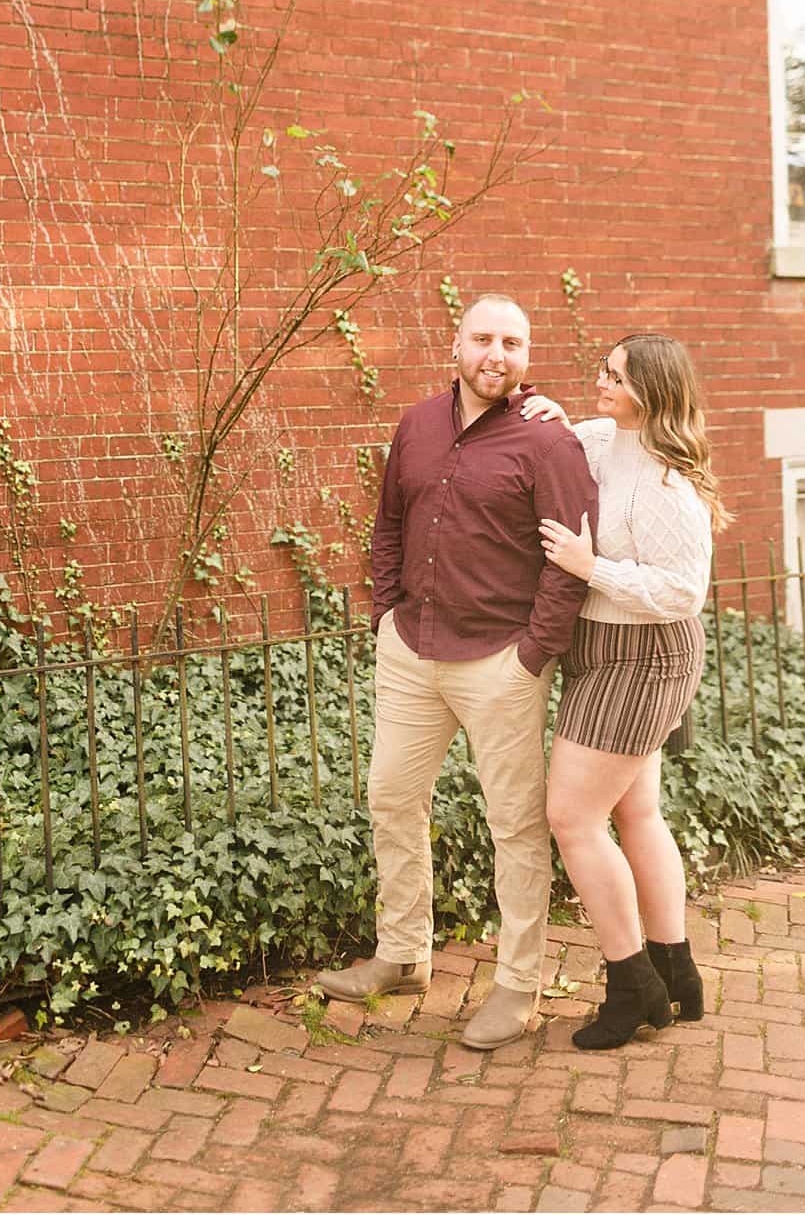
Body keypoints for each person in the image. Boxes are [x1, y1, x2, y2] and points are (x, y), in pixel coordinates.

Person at [317, 294, 598, 1051]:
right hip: (412, 649)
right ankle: (403, 953)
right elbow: (387, 525)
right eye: (483, 339)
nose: (495, 355)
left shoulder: (549, 442)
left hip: (499, 661)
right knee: (391, 799)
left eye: (512, 341)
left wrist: (532, 655)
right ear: (456, 343)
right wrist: (384, 614)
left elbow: (569, 564)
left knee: (515, 826)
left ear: (527, 353)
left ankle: (517, 985)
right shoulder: (416, 424)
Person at [523, 333, 729, 1049]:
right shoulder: (607, 437)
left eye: (613, 375)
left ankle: (631, 983)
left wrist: (589, 567)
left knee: (572, 818)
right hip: (602, 647)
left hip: (644, 655)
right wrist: (550, 414)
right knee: (638, 811)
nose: (599, 381)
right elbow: (572, 440)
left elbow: (682, 592)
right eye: (602, 371)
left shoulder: (671, 486)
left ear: (650, 389)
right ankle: (677, 973)